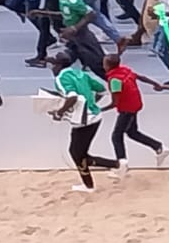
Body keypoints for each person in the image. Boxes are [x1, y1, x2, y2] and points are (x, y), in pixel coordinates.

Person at [48, 49, 120, 192]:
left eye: (53, 64)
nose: (51, 68)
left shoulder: (61, 78)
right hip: (95, 117)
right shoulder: (80, 73)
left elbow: (73, 97)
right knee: (79, 153)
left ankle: (90, 184)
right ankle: (115, 164)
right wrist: (91, 103)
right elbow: (101, 89)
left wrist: (59, 113)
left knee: (76, 153)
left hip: (84, 121)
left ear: (58, 66)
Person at [102, 48, 169, 170]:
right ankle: (158, 147)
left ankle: (122, 163)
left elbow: (114, 102)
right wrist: (155, 83)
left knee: (116, 136)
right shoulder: (125, 70)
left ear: (107, 66)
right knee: (132, 133)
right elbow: (141, 77)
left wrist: (99, 109)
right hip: (136, 104)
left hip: (127, 109)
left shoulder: (114, 80)